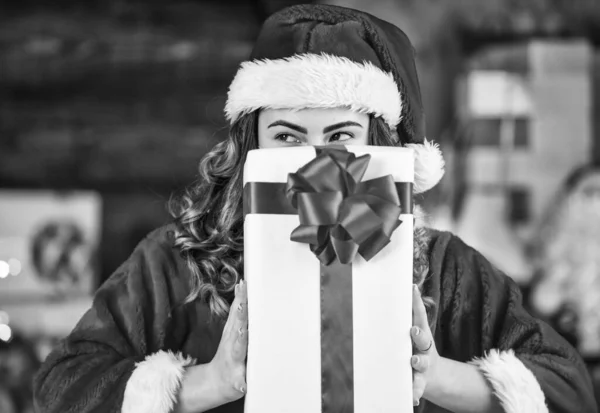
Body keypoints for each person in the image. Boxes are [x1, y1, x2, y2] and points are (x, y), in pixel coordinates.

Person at [33, 4, 596, 413]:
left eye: (340, 133)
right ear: (252, 143)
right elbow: (63, 386)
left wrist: (433, 375)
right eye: (287, 135)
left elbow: (569, 390)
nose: (314, 159)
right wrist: (212, 383)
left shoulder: (446, 270)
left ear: (381, 145)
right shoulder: (175, 261)